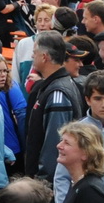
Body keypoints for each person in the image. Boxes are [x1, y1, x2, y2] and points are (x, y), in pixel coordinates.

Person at [21, 32, 81, 181]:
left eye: (34, 53)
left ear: (44, 56)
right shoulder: (53, 85)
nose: (32, 57)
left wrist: (44, 181)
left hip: (51, 183)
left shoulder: (57, 93)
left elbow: (54, 144)